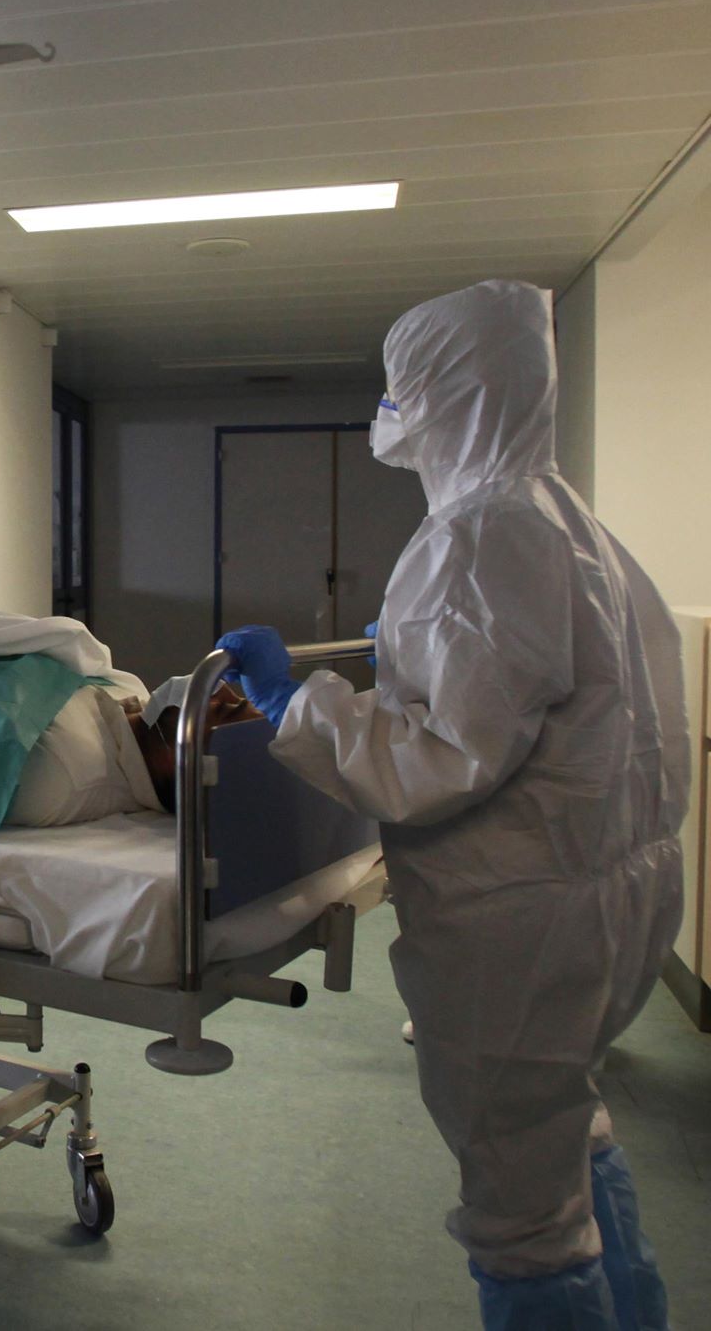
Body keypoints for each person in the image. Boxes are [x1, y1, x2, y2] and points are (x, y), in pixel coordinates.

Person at [216, 280, 685, 1330]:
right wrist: (410, 662)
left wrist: (296, 702)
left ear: (438, 392)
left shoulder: (477, 534)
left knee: (522, 1211)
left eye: (402, 391)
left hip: (519, 921)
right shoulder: (571, 524)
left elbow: (434, 763)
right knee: (567, 1131)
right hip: (612, 894)